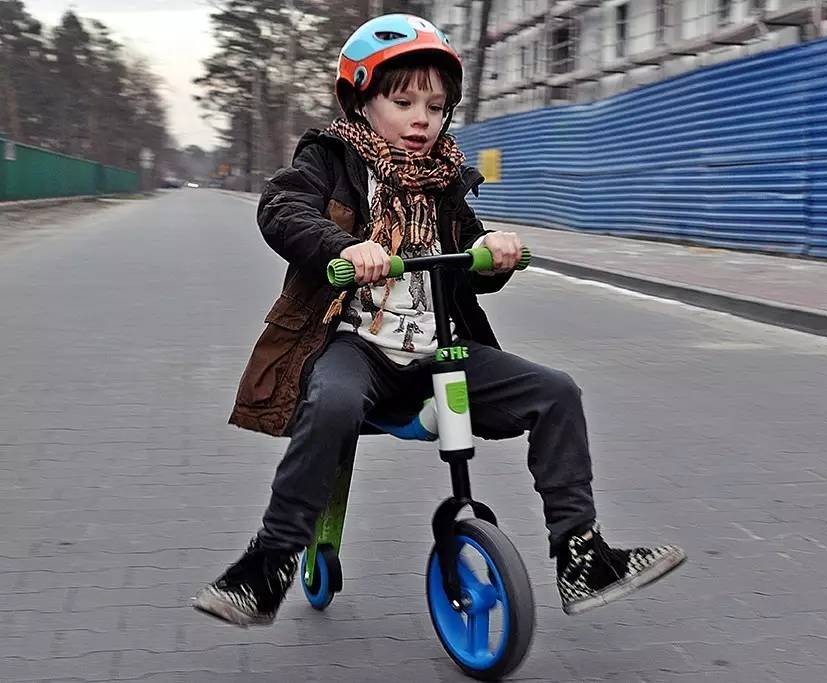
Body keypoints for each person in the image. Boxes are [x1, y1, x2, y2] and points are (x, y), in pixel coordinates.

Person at [193, 13, 685, 627]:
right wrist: (343, 248)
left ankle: (581, 558)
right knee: (335, 401)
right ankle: (268, 564)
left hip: (441, 350)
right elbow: (283, 208)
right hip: (356, 344)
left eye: (435, 103)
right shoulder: (331, 159)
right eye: (402, 101)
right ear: (362, 101)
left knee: (557, 393)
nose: (421, 117)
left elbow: (470, 262)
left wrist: (495, 253)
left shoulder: (447, 179)